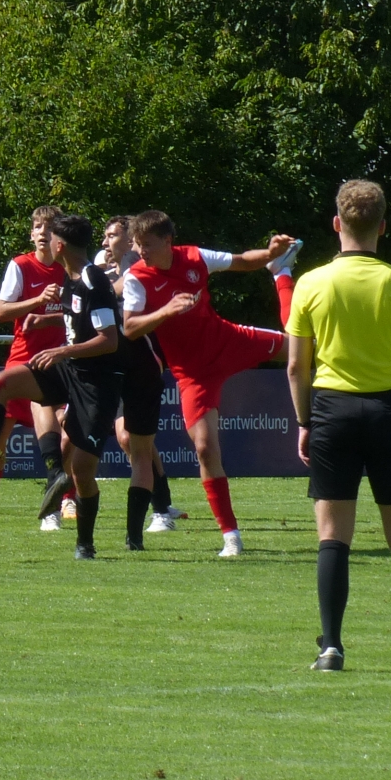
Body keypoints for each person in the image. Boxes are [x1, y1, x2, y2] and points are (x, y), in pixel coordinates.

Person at [286, 179, 391, 674]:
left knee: (333, 537)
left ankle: (330, 647)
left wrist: (304, 421)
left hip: (332, 412)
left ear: (337, 224)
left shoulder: (310, 284)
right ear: (383, 226)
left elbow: (296, 367)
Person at [0, 213, 122, 559]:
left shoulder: (92, 279)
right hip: (69, 369)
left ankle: (85, 542)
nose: (46, 241)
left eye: (51, 237)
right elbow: (75, 314)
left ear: (60, 245)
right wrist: (46, 317)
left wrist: (62, 350)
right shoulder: (71, 276)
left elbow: (109, 340)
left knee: (82, 471)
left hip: (96, 384)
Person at [121, 211, 302, 557]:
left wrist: (268, 253)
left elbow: (241, 262)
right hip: (192, 374)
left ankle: (281, 272)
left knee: (303, 350)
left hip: (228, 341)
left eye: (146, 244)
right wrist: (165, 312)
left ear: (167, 241)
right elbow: (130, 328)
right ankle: (231, 536)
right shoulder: (136, 277)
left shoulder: (194, 257)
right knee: (205, 448)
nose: (140, 250)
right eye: (137, 244)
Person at [96, 216, 184, 548]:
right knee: (130, 441)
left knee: (130, 439)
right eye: (104, 236)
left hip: (138, 365)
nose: (106, 242)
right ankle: (160, 506)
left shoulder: (135, 264)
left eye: (113, 236)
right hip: (110, 363)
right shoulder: (107, 268)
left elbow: (116, 299)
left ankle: (159, 509)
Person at [0, 206, 75, 528]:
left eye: (48, 228)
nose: (41, 233)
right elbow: (2, 312)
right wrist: (37, 302)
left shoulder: (70, 269)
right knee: (0, 433)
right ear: (31, 233)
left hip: (60, 360)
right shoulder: (20, 266)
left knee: (67, 432)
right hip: (23, 358)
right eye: (37, 227)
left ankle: (67, 499)